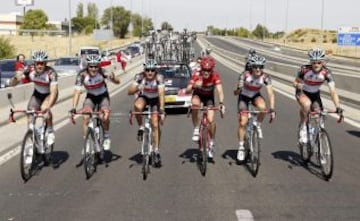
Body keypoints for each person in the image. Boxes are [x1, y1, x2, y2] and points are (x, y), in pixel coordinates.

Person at [70, 54, 121, 151]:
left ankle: (106, 136)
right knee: (85, 117)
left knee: (103, 117)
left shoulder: (102, 72)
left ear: (99, 66)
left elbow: (118, 82)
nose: (94, 69)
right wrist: (74, 107)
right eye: (91, 66)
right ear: (87, 66)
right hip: (91, 97)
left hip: (103, 97)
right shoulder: (82, 75)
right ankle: (87, 143)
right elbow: (77, 92)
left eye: (96, 66)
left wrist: (114, 78)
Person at [11, 50, 59, 150]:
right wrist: (16, 77)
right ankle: (32, 136)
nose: (40, 66)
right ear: (34, 63)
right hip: (37, 94)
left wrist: (48, 107)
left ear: (46, 63)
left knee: (44, 109)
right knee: (30, 113)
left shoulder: (51, 73)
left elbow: (54, 92)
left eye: (42, 63)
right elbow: (13, 84)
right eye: (37, 63)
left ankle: (50, 131)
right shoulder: (30, 70)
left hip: (49, 94)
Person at [293, 48, 343, 144]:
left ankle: (318, 139)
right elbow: (294, 82)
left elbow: (333, 91)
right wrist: (297, 85)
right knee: (306, 104)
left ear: (323, 62)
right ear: (311, 62)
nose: (316, 65)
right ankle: (303, 128)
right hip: (303, 92)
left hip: (315, 95)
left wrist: (337, 106)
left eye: (319, 62)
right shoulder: (304, 70)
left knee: (319, 118)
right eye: (314, 62)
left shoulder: (327, 73)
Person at [234, 54, 275, 161]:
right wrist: (239, 89)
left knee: (263, 107)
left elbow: (271, 93)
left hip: (255, 95)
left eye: (260, 67)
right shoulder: (244, 75)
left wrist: (272, 108)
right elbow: (236, 93)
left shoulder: (266, 77)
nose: (258, 69)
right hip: (244, 97)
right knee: (243, 122)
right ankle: (241, 147)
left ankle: (258, 124)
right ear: (251, 67)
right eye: (255, 66)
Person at [182, 56, 225, 159]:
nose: (206, 72)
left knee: (211, 120)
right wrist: (194, 86)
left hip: (209, 97)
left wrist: (221, 103)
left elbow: (220, 91)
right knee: (195, 105)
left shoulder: (215, 75)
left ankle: (212, 142)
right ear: (201, 69)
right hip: (198, 95)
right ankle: (196, 128)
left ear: (212, 70)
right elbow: (187, 90)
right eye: (204, 70)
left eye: (208, 70)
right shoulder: (197, 75)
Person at [127, 59, 166, 167]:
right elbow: (129, 92)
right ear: (144, 70)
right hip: (144, 97)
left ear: (155, 71)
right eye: (147, 70)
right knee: (137, 106)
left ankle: (156, 151)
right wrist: (137, 88)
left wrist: (162, 110)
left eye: (152, 70)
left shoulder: (159, 78)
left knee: (155, 124)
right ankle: (141, 127)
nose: (150, 72)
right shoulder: (139, 77)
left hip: (155, 100)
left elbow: (162, 94)